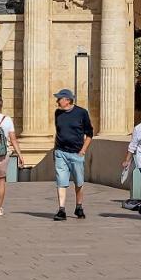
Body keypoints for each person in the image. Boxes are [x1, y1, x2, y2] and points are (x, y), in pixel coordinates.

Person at [52, 88, 93, 221]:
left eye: (59, 99)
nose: (57, 101)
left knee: (78, 182)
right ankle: (61, 210)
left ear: (67, 100)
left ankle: (79, 207)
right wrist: (55, 149)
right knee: (61, 182)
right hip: (60, 152)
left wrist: (83, 150)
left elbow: (89, 133)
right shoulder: (58, 113)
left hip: (77, 153)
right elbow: (58, 131)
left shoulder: (82, 113)